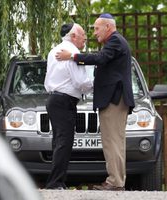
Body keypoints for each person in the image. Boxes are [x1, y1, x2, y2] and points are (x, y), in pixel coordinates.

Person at [56, 13, 135, 191]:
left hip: (114, 99)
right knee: (116, 141)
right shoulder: (116, 41)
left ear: (108, 27)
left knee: (111, 141)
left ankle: (115, 182)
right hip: (116, 99)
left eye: (97, 28)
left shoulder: (115, 41)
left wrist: (73, 56)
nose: (94, 33)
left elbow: (99, 58)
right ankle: (117, 181)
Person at [44, 23, 93, 189]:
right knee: (64, 142)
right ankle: (55, 183)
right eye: (83, 34)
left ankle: (56, 181)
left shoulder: (53, 51)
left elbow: (48, 79)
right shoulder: (73, 53)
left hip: (54, 99)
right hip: (64, 101)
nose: (86, 37)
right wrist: (96, 83)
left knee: (59, 141)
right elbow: (80, 82)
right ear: (73, 36)